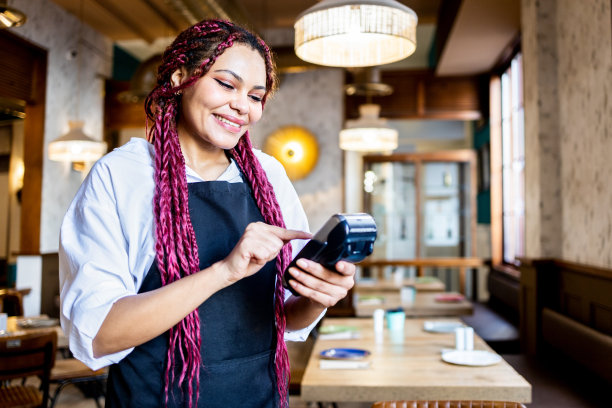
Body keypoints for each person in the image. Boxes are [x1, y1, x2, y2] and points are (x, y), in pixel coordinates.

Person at [59, 19, 355, 408]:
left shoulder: (268, 176)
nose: (241, 106)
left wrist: (319, 296)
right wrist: (224, 271)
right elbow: (99, 334)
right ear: (180, 78)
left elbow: (285, 318)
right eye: (227, 84)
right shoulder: (122, 175)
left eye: (256, 95)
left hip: (260, 397)